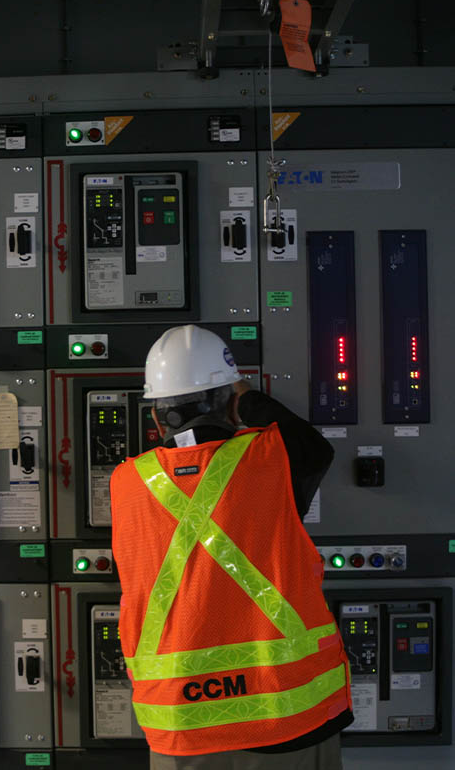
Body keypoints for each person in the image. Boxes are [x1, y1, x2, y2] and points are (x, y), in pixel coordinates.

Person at [110, 325, 353, 770]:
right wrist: (247, 396)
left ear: (157, 419)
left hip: (182, 723)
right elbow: (314, 448)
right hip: (289, 716)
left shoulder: (126, 483)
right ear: (232, 406)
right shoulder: (270, 459)